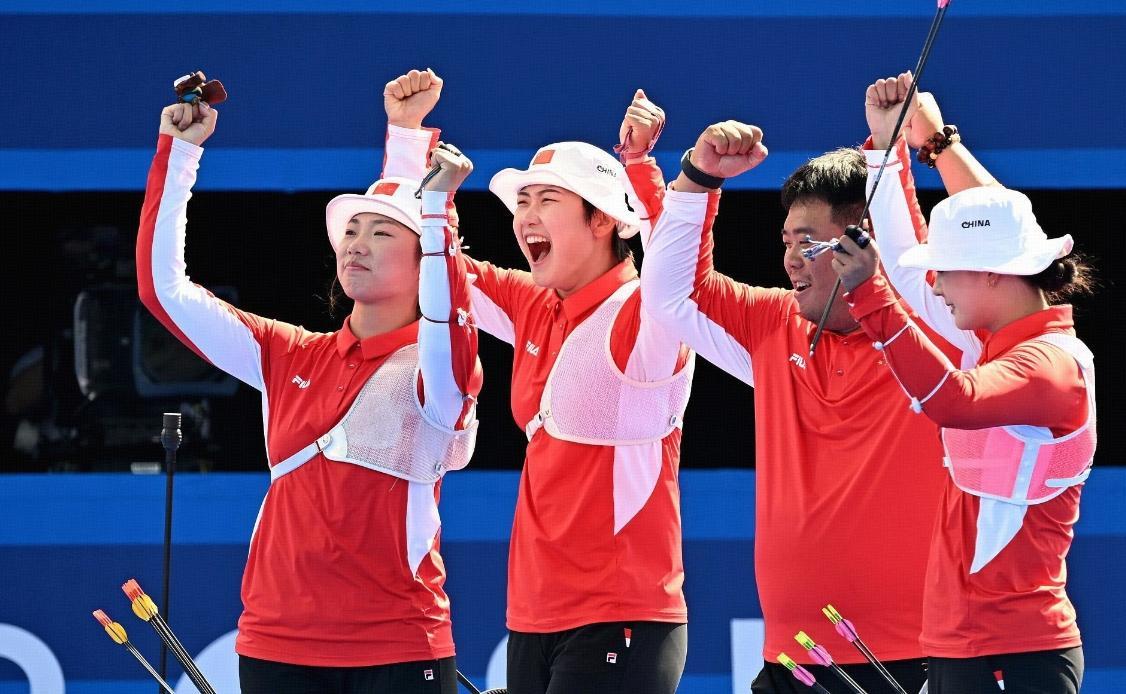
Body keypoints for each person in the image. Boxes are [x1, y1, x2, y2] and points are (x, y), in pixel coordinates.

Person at [137, 92, 481, 694]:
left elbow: (449, 319)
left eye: (381, 233)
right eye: (351, 231)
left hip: (399, 646)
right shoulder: (287, 353)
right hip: (276, 645)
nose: (357, 243)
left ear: (426, 258)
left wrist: (435, 212)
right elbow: (164, 290)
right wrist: (180, 153)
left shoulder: (440, 370)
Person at [380, 70, 691, 694]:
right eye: (522, 202)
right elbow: (422, 256)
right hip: (532, 614)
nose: (525, 217)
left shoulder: (643, 318)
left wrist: (640, 169)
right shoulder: (534, 305)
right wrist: (407, 138)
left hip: (621, 613)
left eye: (546, 200)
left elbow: (675, 272)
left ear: (602, 220)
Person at [639, 117, 956, 692]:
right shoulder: (772, 326)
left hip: (921, 662)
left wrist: (887, 157)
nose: (790, 260)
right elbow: (670, 294)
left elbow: (915, 264)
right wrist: (698, 179)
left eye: (808, 242)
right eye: (786, 242)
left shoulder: (937, 335)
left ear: (862, 242)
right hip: (793, 665)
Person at [841, 75, 1094, 693]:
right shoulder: (998, 335)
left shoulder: (1050, 365)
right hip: (967, 646)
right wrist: (904, 146)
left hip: (1015, 653)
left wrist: (870, 297)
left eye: (945, 269)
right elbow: (994, 223)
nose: (934, 284)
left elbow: (953, 400)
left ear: (992, 275)